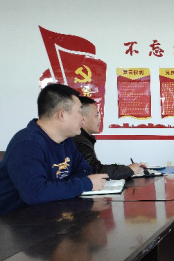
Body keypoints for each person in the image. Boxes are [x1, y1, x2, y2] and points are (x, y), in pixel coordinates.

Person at [0, 84, 108, 216]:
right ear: (62, 115)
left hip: (50, 214)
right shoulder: (27, 144)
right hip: (12, 221)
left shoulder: (66, 141)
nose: (82, 118)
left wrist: (58, 188)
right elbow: (35, 193)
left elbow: (84, 170)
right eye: (79, 112)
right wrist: (85, 184)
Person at [73, 96, 145, 179]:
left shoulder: (83, 138)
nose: (99, 120)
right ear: (82, 119)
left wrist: (127, 168)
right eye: (96, 116)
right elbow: (95, 171)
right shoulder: (79, 141)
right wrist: (129, 169)